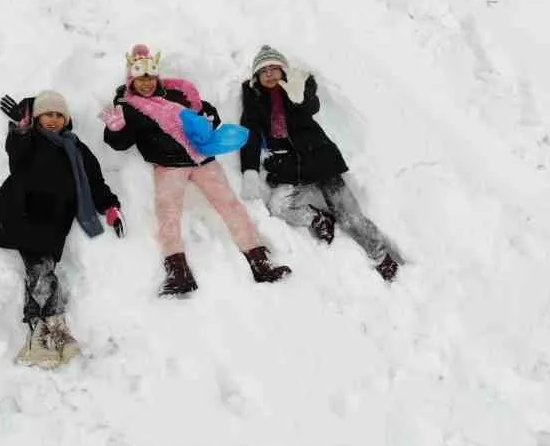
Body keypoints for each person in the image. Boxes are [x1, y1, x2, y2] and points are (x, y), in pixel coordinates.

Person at [100, 44, 291, 297]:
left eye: (150, 78)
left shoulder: (178, 93)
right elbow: (121, 143)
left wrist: (209, 119)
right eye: (140, 79)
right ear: (131, 80)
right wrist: (115, 129)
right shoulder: (129, 107)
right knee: (168, 214)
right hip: (168, 166)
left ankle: (260, 261)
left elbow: (207, 112)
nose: (146, 84)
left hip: (203, 159)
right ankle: (178, 272)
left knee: (230, 205)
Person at [237, 46, 403, 282]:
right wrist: (250, 170)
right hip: (289, 166)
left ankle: (382, 257)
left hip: (320, 158)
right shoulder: (254, 100)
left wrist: (299, 96)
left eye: (275, 68)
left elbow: (311, 108)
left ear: (284, 70)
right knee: (278, 207)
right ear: (256, 77)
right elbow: (250, 134)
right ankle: (318, 219)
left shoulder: (299, 85)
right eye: (264, 71)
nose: (271, 74)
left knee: (349, 215)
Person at [0, 89, 124, 368]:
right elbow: (16, 157)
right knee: (39, 270)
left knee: (44, 269)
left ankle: (50, 334)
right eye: (48, 113)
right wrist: (21, 131)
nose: (54, 119)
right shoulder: (31, 140)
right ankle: (45, 333)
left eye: (60, 115)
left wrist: (109, 207)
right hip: (22, 212)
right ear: (37, 117)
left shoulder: (76, 147)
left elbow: (94, 180)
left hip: (54, 220)